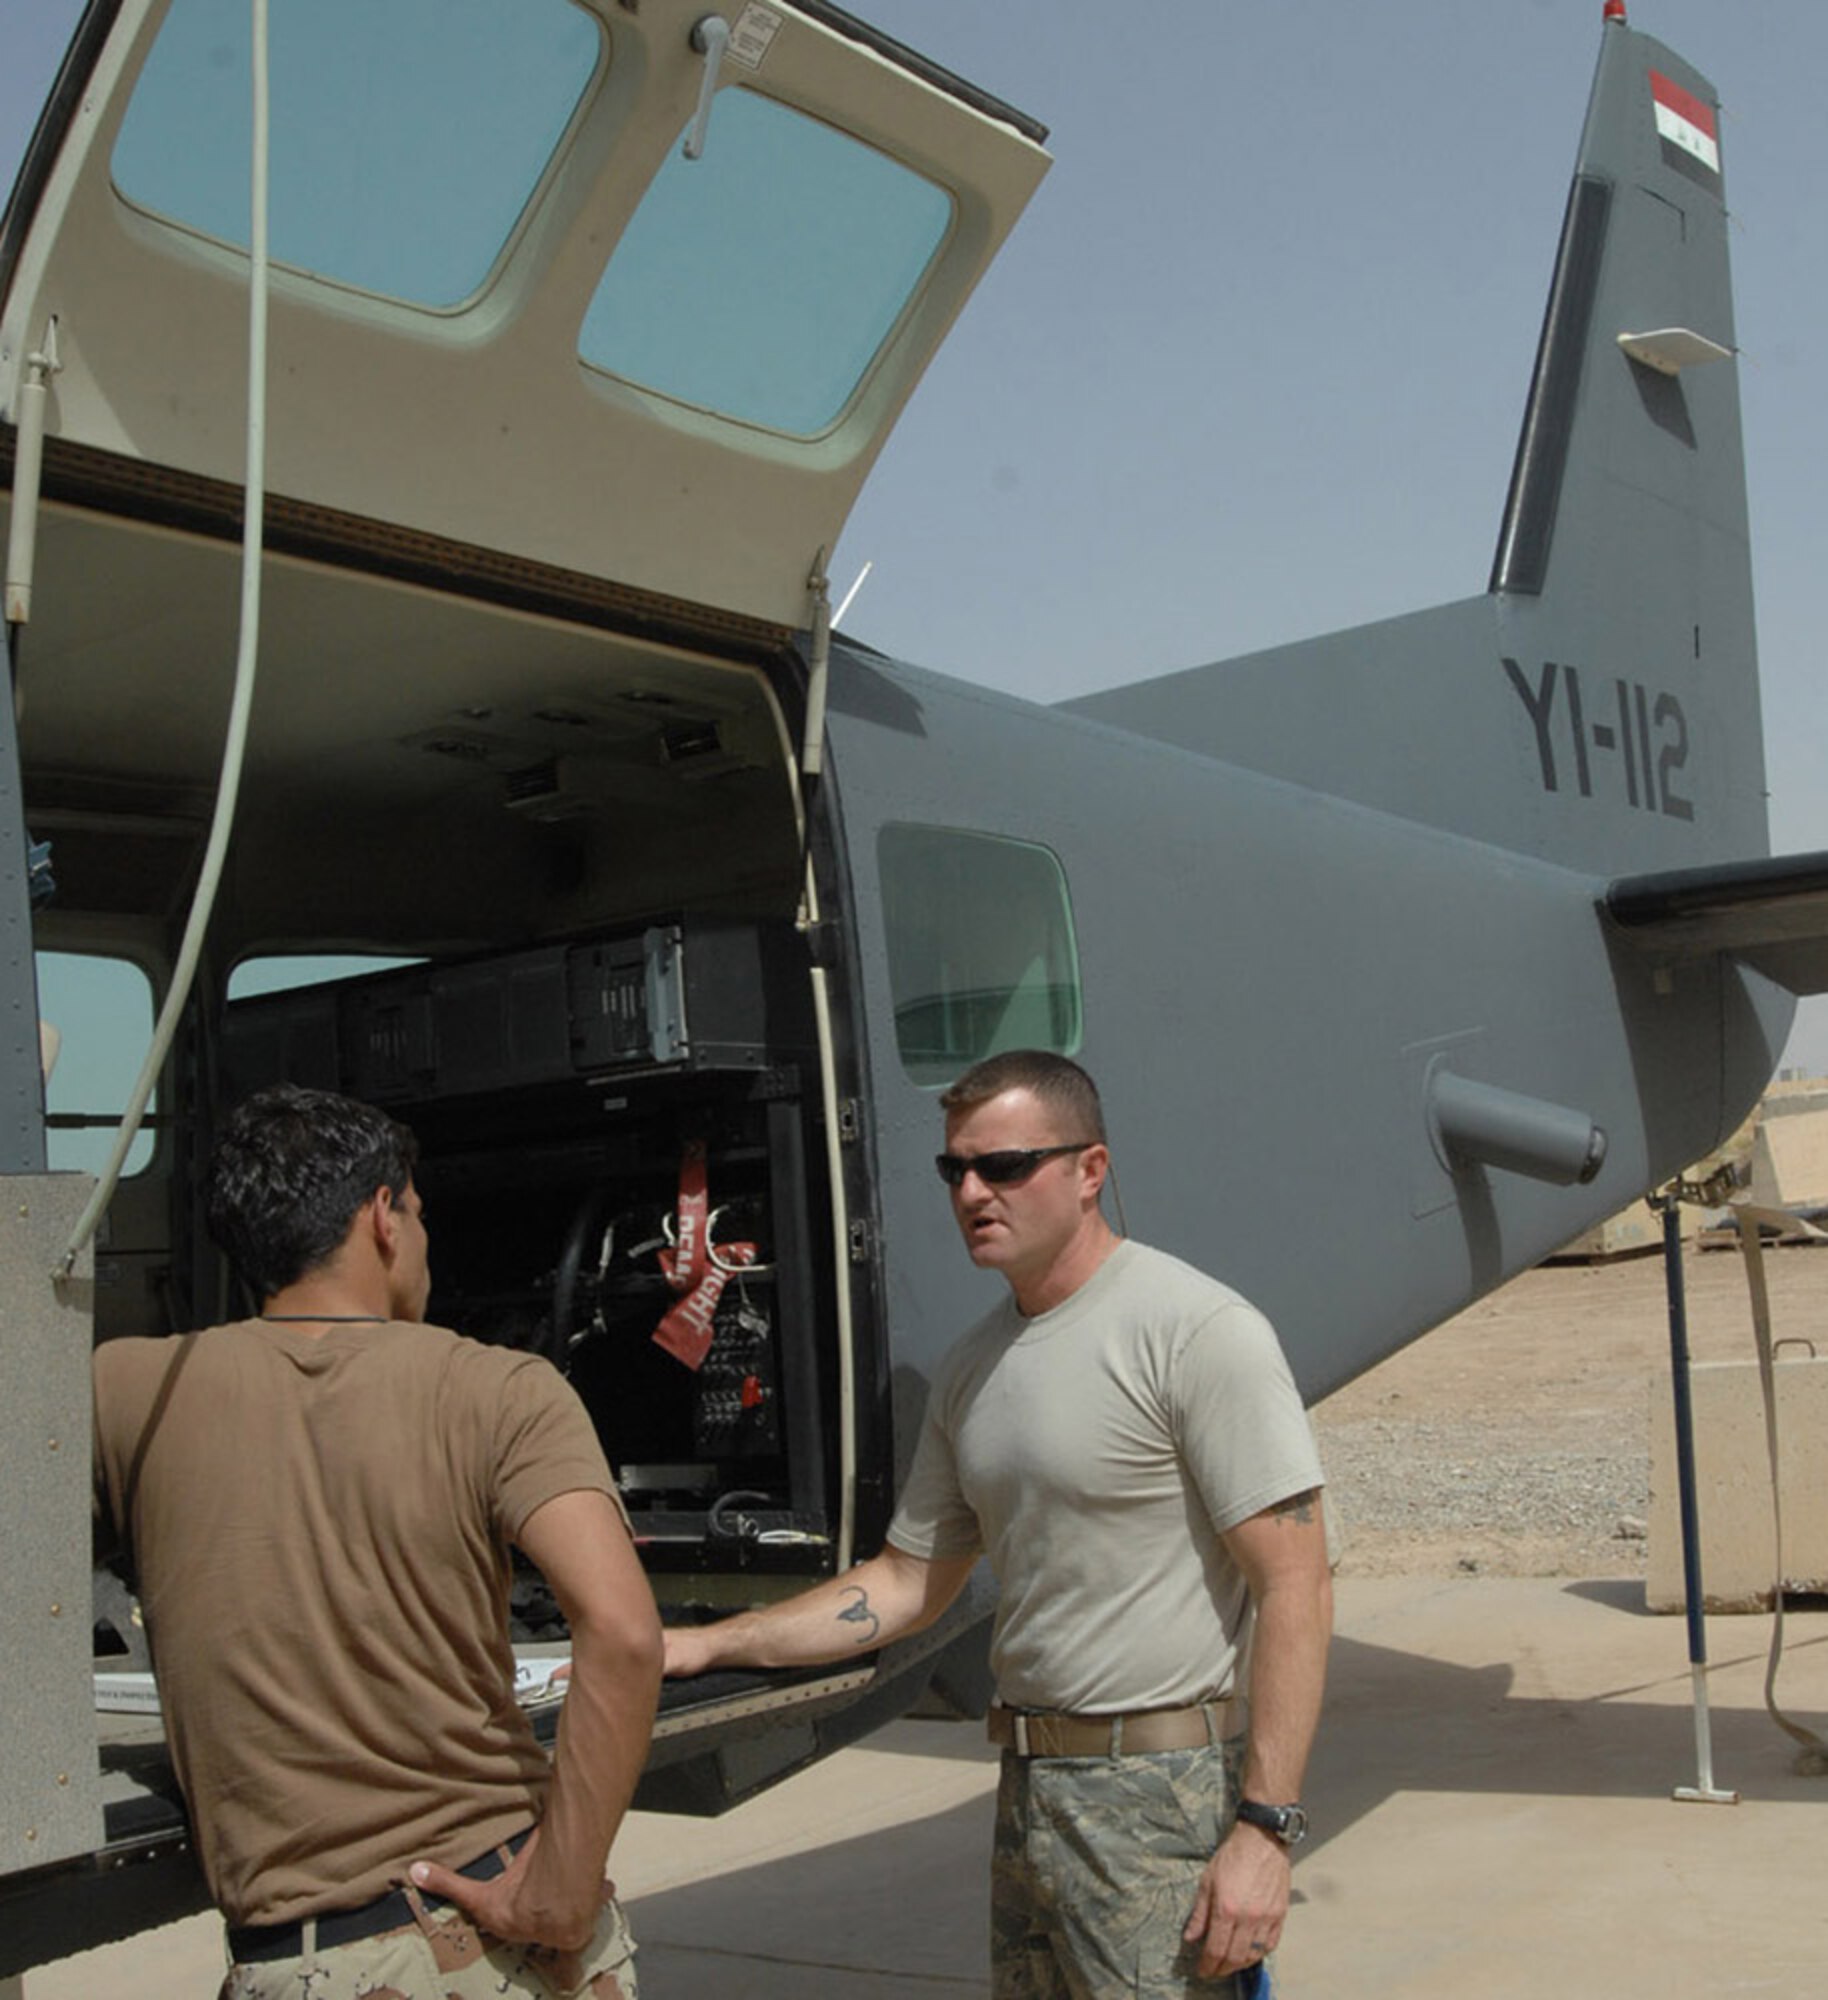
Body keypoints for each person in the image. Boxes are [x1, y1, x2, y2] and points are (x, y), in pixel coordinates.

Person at [665, 1050, 1331, 1996]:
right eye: (955, 1170)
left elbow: (1296, 1582)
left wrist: (1266, 1830)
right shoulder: (975, 1368)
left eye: (1004, 1165)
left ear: (1090, 1170)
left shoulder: (1195, 1331)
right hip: (1030, 1792)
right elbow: (902, 1585)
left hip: (1161, 1797)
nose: (973, 1191)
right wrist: (710, 1646)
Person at [91, 1083, 663, 2000]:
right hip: (495, 1931)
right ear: (382, 1219)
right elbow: (627, 1633)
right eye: (421, 1212)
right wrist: (560, 1888)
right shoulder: (501, 1389)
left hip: (304, 1957)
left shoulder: (126, 1393)